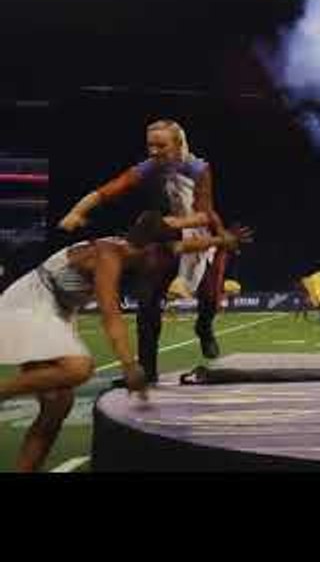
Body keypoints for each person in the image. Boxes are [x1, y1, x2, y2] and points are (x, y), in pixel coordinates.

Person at [0, 212, 248, 472]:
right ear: (149, 250)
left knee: (57, 408)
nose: (161, 268)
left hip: (56, 309)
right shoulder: (108, 256)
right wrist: (130, 366)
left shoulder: (138, 246)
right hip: (30, 302)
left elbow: (186, 245)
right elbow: (111, 316)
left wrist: (223, 239)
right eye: (160, 259)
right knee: (78, 368)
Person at [58, 120, 230, 382]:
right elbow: (111, 188)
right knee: (147, 301)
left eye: (160, 145)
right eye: (150, 145)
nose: (153, 151)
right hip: (167, 235)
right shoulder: (152, 165)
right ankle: (147, 371)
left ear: (179, 144)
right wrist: (77, 211)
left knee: (208, 299)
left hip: (204, 236)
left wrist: (169, 223)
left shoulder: (199, 168)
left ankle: (204, 328)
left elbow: (203, 216)